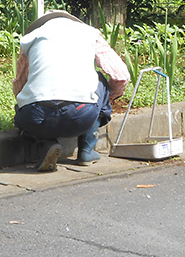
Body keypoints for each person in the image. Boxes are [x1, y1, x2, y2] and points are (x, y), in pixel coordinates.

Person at [13, 10, 130, 171]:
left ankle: (46, 143)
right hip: (81, 115)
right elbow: (121, 76)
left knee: (25, 104)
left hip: (35, 118)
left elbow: (20, 84)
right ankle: (86, 150)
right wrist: (108, 98)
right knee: (100, 81)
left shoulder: (31, 38)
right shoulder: (89, 34)